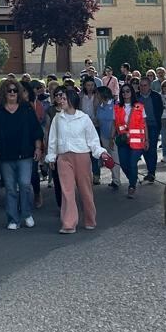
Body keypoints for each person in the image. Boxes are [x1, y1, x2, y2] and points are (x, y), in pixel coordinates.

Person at [45, 87, 108, 234]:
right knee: (67, 191)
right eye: (60, 98)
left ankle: (90, 219)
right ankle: (68, 223)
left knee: (85, 190)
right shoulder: (57, 118)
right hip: (63, 158)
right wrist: (51, 156)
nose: (60, 100)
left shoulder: (84, 118)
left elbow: (93, 139)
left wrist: (100, 153)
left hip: (82, 156)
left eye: (64, 98)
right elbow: (52, 139)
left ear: (72, 100)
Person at [0, 80, 42, 230]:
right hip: (5, 155)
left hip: (25, 153)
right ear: (4, 92)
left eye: (15, 90)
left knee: (25, 184)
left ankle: (27, 213)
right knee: (10, 188)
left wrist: (38, 148)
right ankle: (13, 219)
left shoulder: (26, 108)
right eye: (9, 90)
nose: (12, 93)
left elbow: (35, 129)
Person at [112, 82, 150, 197]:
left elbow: (144, 124)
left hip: (137, 141)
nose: (125, 93)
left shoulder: (139, 106)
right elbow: (115, 124)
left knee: (132, 164)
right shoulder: (117, 107)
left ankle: (132, 185)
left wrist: (147, 140)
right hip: (123, 140)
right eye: (123, 92)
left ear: (132, 92)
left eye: (128, 91)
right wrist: (111, 137)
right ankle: (133, 178)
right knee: (124, 164)